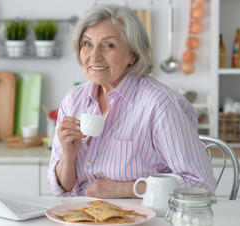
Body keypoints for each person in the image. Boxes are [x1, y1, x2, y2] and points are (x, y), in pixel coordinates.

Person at [47, 4, 216, 198]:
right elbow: (63, 189)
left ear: (132, 55)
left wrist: (123, 189)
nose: (94, 56)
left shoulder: (160, 105)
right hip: (82, 219)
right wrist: (68, 156)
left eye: (108, 45)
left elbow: (200, 183)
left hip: (142, 221)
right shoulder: (73, 100)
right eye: (87, 44)